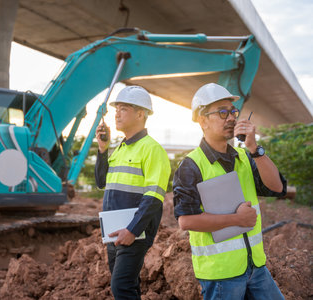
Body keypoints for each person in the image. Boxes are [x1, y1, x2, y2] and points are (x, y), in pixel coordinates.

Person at [173, 83, 286, 300]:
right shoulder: (191, 165)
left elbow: (277, 187)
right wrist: (236, 219)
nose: (231, 118)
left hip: (255, 266)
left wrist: (256, 150)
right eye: (222, 112)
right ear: (202, 119)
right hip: (221, 274)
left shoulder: (245, 157)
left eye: (232, 111)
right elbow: (186, 221)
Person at [95, 86, 171, 299]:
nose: (117, 114)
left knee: (122, 287)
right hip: (113, 230)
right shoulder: (120, 148)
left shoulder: (152, 149)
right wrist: (103, 150)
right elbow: (102, 182)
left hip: (134, 231)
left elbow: (154, 197)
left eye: (123, 108)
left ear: (141, 114)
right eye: (116, 109)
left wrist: (132, 230)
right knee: (126, 285)